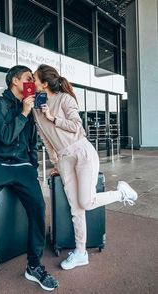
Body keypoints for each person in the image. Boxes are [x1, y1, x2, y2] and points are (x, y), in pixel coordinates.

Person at [32, 64, 138, 271]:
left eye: (34, 79)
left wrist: (53, 117)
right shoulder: (36, 109)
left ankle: (120, 193)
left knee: (86, 202)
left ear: (44, 83)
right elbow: (45, 138)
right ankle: (81, 253)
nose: (32, 83)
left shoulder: (64, 98)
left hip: (82, 152)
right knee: (76, 209)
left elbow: (76, 126)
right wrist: (56, 163)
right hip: (63, 160)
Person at [0, 65, 59, 291]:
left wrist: (32, 165)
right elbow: (6, 136)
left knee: (38, 205)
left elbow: (31, 143)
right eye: (29, 78)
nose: (33, 82)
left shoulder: (30, 107)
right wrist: (23, 112)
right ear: (14, 81)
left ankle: (34, 265)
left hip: (22, 166)